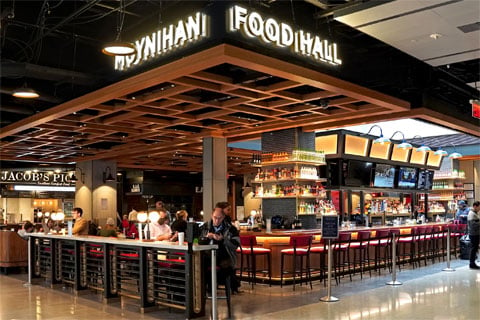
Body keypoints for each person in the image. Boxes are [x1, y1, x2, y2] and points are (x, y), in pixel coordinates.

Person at [204, 207, 240, 293]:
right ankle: (202, 292)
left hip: (225, 256)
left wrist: (223, 240)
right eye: (215, 217)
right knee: (200, 264)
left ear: (223, 217)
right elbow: (196, 241)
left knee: (222, 266)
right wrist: (205, 238)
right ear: (211, 216)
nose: (217, 220)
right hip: (208, 255)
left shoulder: (231, 229)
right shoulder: (205, 227)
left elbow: (235, 245)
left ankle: (215, 287)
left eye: (219, 218)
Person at [467, 201, 480, 269]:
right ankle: (472, 263)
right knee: (473, 248)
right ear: (475, 206)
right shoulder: (471, 214)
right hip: (473, 233)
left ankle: (473, 262)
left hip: (476, 233)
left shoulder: (475, 213)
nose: (479, 209)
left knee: (474, 248)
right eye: (479, 207)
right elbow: (472, 225)